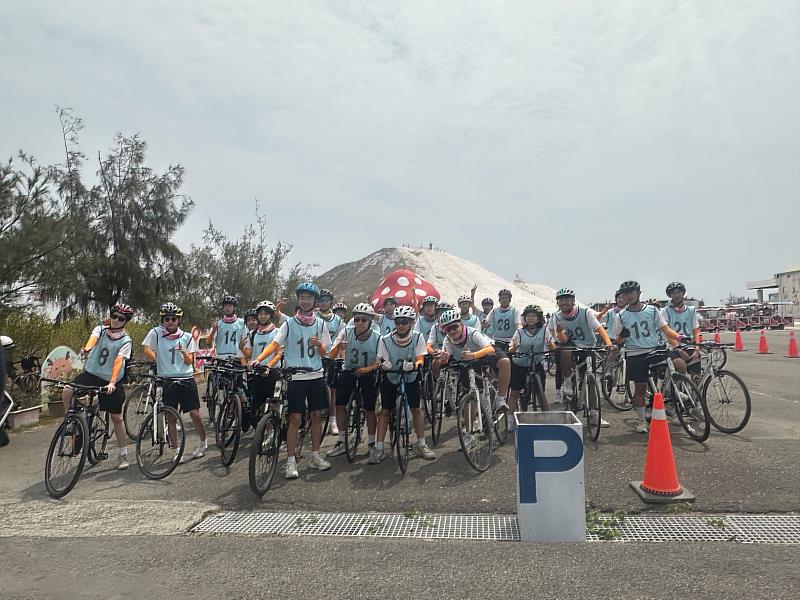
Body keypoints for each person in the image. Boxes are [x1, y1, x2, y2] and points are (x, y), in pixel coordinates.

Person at [251, 282, 331, 479]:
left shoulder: (321, 324)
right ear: (299, 300)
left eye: (309, 297)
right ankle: (290, 461)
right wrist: (258, 359)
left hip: (315, 375)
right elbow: (274, 343)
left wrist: (319, 344)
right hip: (295, 376)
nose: (305, 301)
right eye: (302, 297)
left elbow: (325, 351)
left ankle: (315, 455)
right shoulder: (289, 324)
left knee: (315, 416)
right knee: (294, 418)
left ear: (315, 301)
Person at [62, 304, 135, 470]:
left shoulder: (126, 341)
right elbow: (92, 340)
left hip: (111, 380)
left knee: (117, 418)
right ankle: (73, 423)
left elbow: (118, 361)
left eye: (121, 319)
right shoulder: (101, 329)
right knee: (67, 391)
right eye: (114, 316)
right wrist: (87, 349)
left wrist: (112, 382)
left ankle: (123, 454)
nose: (116, 320)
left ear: (126, 322)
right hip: (91, 374)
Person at [610, 281, 681, 433]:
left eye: (631, 292)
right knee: (640, 388)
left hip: (654, 350)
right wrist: (622, 337)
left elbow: (665, 329)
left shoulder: (652, 311)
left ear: (639, 293)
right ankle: (641, 421)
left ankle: (672, 399)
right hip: (635, 354)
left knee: (673, 369)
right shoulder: (621, 316)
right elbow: (618, 339)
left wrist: (679, 338)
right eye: (625, 294)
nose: (628, 296)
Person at [143, 303, 208, 461]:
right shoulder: (156, 333)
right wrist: (157, 359)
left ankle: (203, 442)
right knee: (170, 417)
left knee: (195, 414)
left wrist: (184, 352)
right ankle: (176, 450)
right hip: (167, 380)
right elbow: (146, 348)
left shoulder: (186, 337)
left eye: (173, 319)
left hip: (185, 379)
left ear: (178, 320)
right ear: (162, 320)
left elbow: (189, 362)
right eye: (166, 319)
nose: (170, 321)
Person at [372, 305, 435, 463]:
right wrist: (383, 363)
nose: (400, 325)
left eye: (404, 322)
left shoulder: (418, 336)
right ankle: (379, 448)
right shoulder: (385, 339)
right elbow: (381, 358)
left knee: (416, 410)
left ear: (411, 322)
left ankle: (421, 444)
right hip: (391, 375)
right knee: (385, 411)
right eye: (397, 321)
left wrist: (415, 365)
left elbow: (420, 357)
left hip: (411, 376)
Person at [549, 288, 613, 428]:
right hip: (572, 345)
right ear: (558, 302)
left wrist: (608, 343)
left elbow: (599, 329)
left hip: (589, 346)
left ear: (573, 301)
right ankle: (567, 381)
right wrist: (559, 332)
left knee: (590, 381)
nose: (564, 302)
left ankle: (594, 415)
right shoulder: (556, 316)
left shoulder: (585, 312)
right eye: (561, 300)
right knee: (565, 349)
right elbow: (563, 339)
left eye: (567, 299)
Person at [325, 303, 381, 459]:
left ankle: (371, 443)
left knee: (369, 408)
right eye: (357, 320)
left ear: (370, 321)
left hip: (368, 373)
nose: (360, 323)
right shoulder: (346, 332)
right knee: (340, 405)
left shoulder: (378, 338)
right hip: (349, 370)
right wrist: (338, 348)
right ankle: (342, 441)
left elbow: (380, 362)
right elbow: (331, 355)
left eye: (364, 320)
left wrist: (366, 369)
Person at [438, 307, 512, 415]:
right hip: (469, 360)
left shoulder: (473, 333)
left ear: (461, 324)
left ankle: (501, 399)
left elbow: (489, 349)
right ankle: (468, 427)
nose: (452, 331)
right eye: (448, 329)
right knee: (469, 394)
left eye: (454, 327)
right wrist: (443, 358)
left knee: (505, 362)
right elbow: (447, 357)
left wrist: (473, 355)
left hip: (485, 352)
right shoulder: (448, 340)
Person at [508, 305, 553, 422]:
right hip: (520, 362)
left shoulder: (544, 330)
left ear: (539, 318)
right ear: (524, 318)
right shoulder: (519, 332)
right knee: (514, 392)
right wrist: (513, 348)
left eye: (534, 316)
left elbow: (551, 342)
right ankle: (510, 420)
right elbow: (511, 348)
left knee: (541, 393)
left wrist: (552, 346)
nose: (531, 318)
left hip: (536, 361)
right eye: (528, 315)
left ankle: (547, 419)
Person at [241, 301, 282, 428]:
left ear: (271, 315)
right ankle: (259, 431)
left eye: (266, 314)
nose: (262, 316)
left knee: (273, 403)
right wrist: (242, 348)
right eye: (260, 314)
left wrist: (269, 366)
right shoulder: (253, 334)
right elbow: (251, 355)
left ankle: (275, 429)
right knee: (256, 404)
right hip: (256, 372)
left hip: (272, 371)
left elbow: (279, 353)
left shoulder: (278, 332)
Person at [317, 289, 344, 435]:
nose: (323, 302)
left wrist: (341, 359)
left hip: (332, 357)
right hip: (315, 358)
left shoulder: (338, 320)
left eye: (326, 300)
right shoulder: (312, 317)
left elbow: (341, 340)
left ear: (331, 302)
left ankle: (333, 421)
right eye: (320, 300)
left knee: (333, 390)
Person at [663, 282, 702, 376]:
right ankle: (674, 389)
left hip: (690, 346)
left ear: (683, 293)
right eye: (673, 293)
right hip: (674, 348)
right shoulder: (665, 311)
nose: (676, 295)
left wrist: (697, 349)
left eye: (678, 292)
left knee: (696, 376)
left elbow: (696, 330)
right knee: (680, 367)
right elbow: (666, 332)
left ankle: (695, 390)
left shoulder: (691, 310)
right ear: (670, 295)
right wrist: (679, 349)